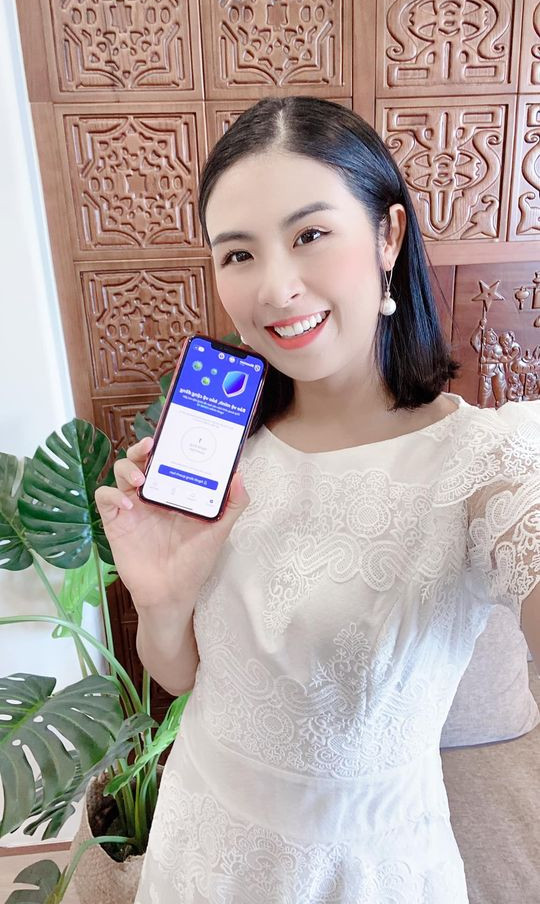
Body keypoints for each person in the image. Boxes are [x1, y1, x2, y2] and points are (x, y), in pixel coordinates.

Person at [95, 97, 540, 904]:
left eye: (309, 235)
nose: (275, 288)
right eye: (238, 253)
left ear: (388, 235)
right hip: (201, 838)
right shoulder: (228, 448)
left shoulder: (487, 467)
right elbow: (183, 676)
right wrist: (161, 602)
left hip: (360, 871)